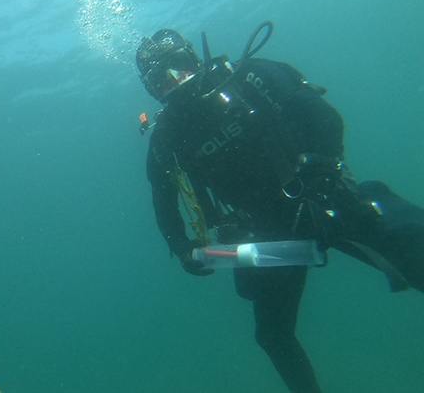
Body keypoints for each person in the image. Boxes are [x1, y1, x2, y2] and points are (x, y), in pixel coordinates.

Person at [137, 24, 424, 393]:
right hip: (267, 237)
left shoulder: (249, 76)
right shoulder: (167, 136)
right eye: (161, 80)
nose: (175, 81)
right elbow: (162, 196)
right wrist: (180, 245)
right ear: (152, 91)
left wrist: (323, 170)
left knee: (414, 248)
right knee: (272, 336)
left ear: (194, 58)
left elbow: (322, 115)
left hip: (322, 198)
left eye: (179, 66)